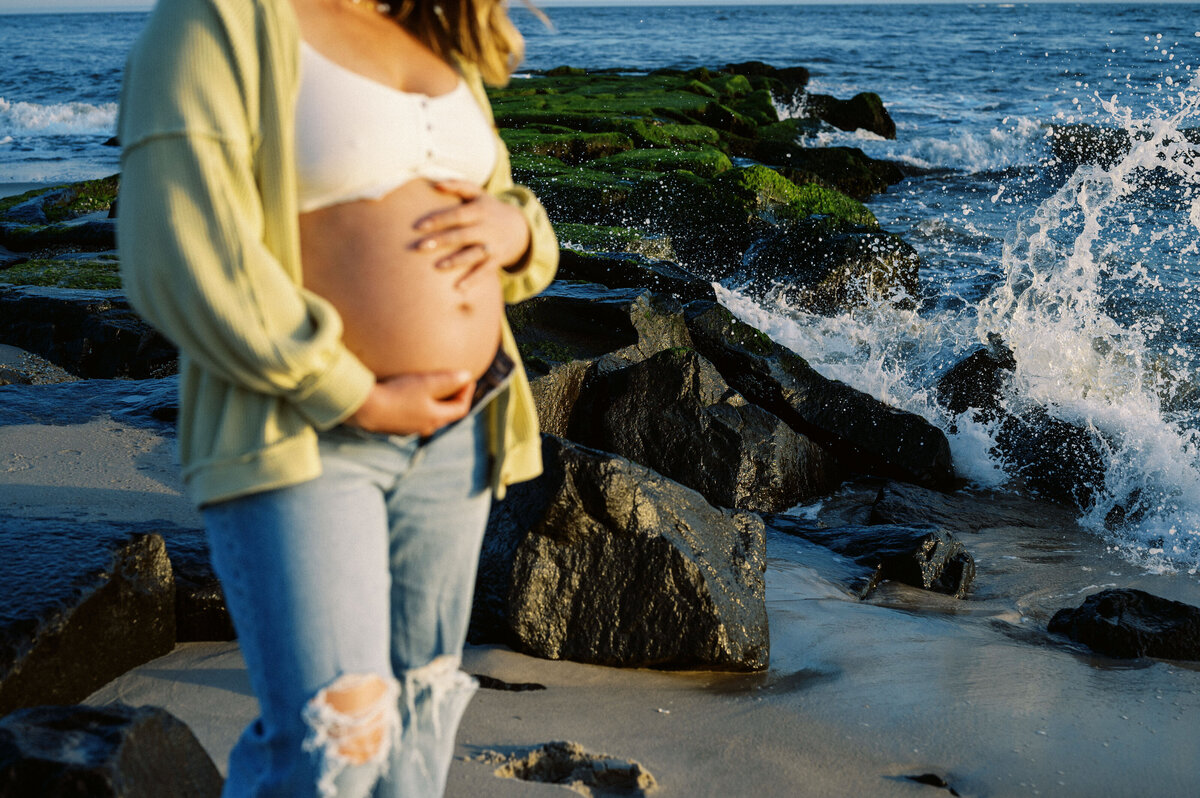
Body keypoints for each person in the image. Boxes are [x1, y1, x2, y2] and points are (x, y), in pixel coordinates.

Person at [115, 0, 557, 795]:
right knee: (335, 746)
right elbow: (175, 246)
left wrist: (519, 231)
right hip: (302, 428)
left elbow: (503, 208)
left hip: (463, 429)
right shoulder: (220, 19)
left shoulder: (433, 32)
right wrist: (348, 390)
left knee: (417, 731)